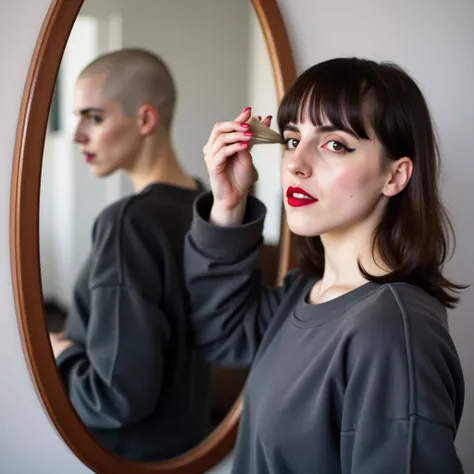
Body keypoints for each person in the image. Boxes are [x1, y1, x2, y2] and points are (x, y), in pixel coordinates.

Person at [184, 57, 466, 473]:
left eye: (336, 144)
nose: (297, 163)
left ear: (395, 176)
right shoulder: (304, 293)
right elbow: (222, 332)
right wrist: (228, 203)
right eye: (293, 140)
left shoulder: (392, 331)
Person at [49, 48, 210, 462]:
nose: (78, 134)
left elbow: (116, 398)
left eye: (94, 117)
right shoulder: (206, 205)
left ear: (145, 119)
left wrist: (62, 353)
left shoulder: (128, 223)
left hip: (125, 456)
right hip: (191, 443)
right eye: (78, 118)